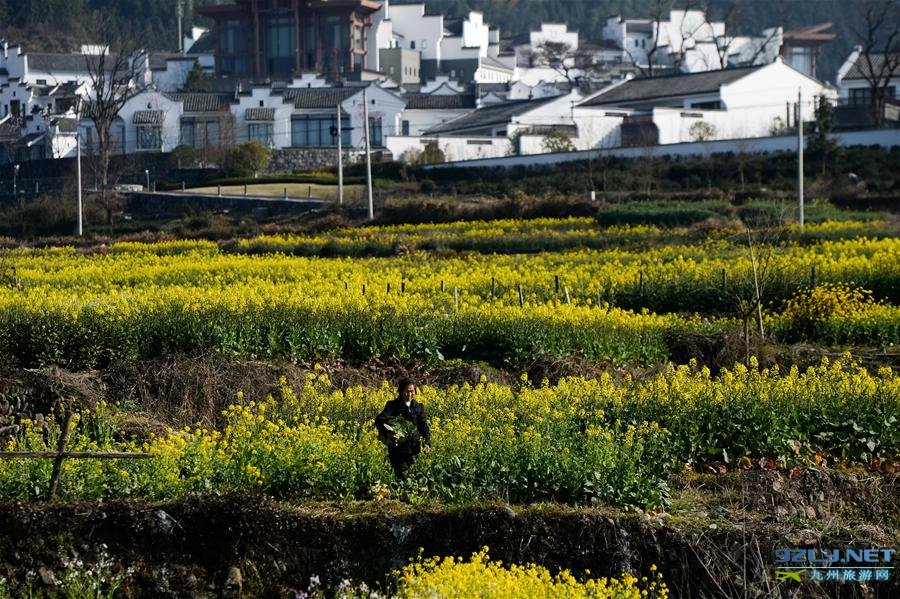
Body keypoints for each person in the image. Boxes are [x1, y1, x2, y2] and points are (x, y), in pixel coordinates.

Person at [374, 378, 431, 479]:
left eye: (412, 391)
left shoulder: (418, 407)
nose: (409, 394)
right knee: (401, 477)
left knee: (414, 477)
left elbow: (424, 427)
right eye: (407, 391)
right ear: (401, 391)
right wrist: (388, 433)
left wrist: (427, 443)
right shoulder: (392, 405)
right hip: (398, 450)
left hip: (415, 449)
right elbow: (379, 420)